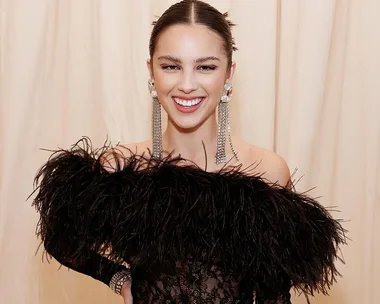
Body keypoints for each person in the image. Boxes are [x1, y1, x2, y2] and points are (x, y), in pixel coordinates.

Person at [31, 0, 346, 303]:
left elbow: (273, 296)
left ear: (229, 74)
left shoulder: (266, 171)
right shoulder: (123, 167)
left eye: (205, 67)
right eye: (171, 66)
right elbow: (61, 237)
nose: (187, 84)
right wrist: (118, 278)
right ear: (151, 71)